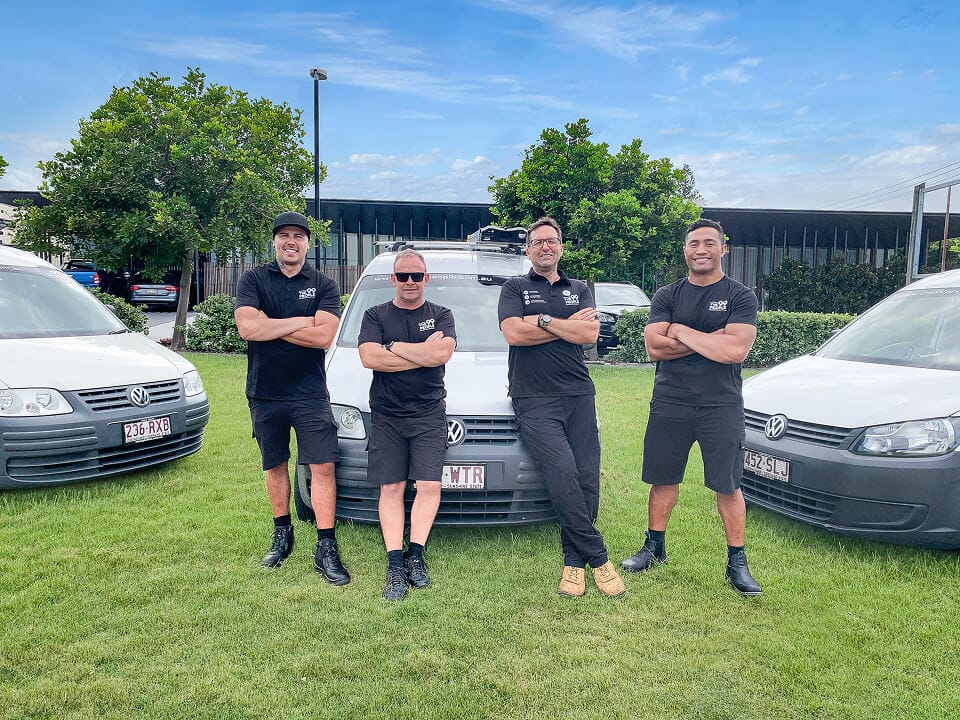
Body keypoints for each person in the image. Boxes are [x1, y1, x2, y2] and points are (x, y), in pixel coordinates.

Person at [621, 218, 761, 596]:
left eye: (709, 243)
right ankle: (654, 547)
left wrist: (679, 331)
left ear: (722, 248)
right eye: (694, 243)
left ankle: (737, 563)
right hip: (671, 401)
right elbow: (654, 348)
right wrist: (708, 338)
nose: (701, 249)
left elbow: (735, 350)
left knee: (727, 485)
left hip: (721, 405)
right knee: (663, 479)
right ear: (685, 250)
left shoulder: (740, 296)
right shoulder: (667, 295)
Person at [498, 217, 626, 599]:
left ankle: (573, 561)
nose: (545, 247)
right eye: (537, 242)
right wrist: (560, 323)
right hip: (533, 397)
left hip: (578, 394)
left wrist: (540, 320)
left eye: (551, 241)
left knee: (587, 475)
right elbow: (513, 333)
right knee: (562, 472)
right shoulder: (514, 287)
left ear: (561, 247)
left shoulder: (579, 289)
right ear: (527, 249)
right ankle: (599, 558)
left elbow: (588, 334)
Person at [234, 211, 350, 585]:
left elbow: (323, 338)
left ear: (307, 244)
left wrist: (271, 326)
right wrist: (302, 320)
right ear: (274, 241)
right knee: (275, 464)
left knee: (323, 467)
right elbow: (247, 328)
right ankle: (282, 534)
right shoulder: (253, 279)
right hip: (265, 392)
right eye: (284, 235)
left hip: (310, 394)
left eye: (298, 236)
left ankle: (326, 546)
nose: (291, 242)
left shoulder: (324, 285)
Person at [358, 249, 456, 601]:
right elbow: (370, 358)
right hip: (386, 414)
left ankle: (416, 554)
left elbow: (441, 355)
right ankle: (395, 563)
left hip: (429, 414)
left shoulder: (442, 314)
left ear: (427, 279)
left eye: (417, 276)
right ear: (393, 279)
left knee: (429, 486)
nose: (410, 282)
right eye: (403, 276)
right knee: (392, 489)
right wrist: (421, 355)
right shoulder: (375, 314)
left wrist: (395, 347)